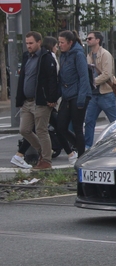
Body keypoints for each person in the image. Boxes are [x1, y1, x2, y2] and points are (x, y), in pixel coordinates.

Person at [14, 31, 59, 170]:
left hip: (41, 100)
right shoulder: (27, 56)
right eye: (27, 43)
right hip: (27, 101)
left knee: (41, 130)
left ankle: (46, 161)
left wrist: (51, 98)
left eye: (31, 43)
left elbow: (52, 79)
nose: (28, 46)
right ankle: (44, 150)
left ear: (39, 42)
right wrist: (19, 98)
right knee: (24, 129)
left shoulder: (46, 57)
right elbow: (23, 79)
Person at [57, 30, 91, 157]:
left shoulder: (78, 55)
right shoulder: (63, 55)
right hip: (67, 95)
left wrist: (81, 99)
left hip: (78, 95)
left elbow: (83, 77)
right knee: (61, 127)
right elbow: (62, 78)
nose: (60, 45)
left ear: (70, 43)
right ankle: (79, 146)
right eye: (59, 42)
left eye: (62, 42)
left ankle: (81, 156)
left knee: (77, 127)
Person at [84, 31, 116, 151]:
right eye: (87, 38)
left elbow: (107, 74)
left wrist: (92, 82)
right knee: (89, 120)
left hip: (106, 93)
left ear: (97, 40)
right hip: (93, 95)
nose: (87, 40)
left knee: (114, 122)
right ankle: (87, 146)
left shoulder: (105, 54)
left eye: (90, 38)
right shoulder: (88, 55)